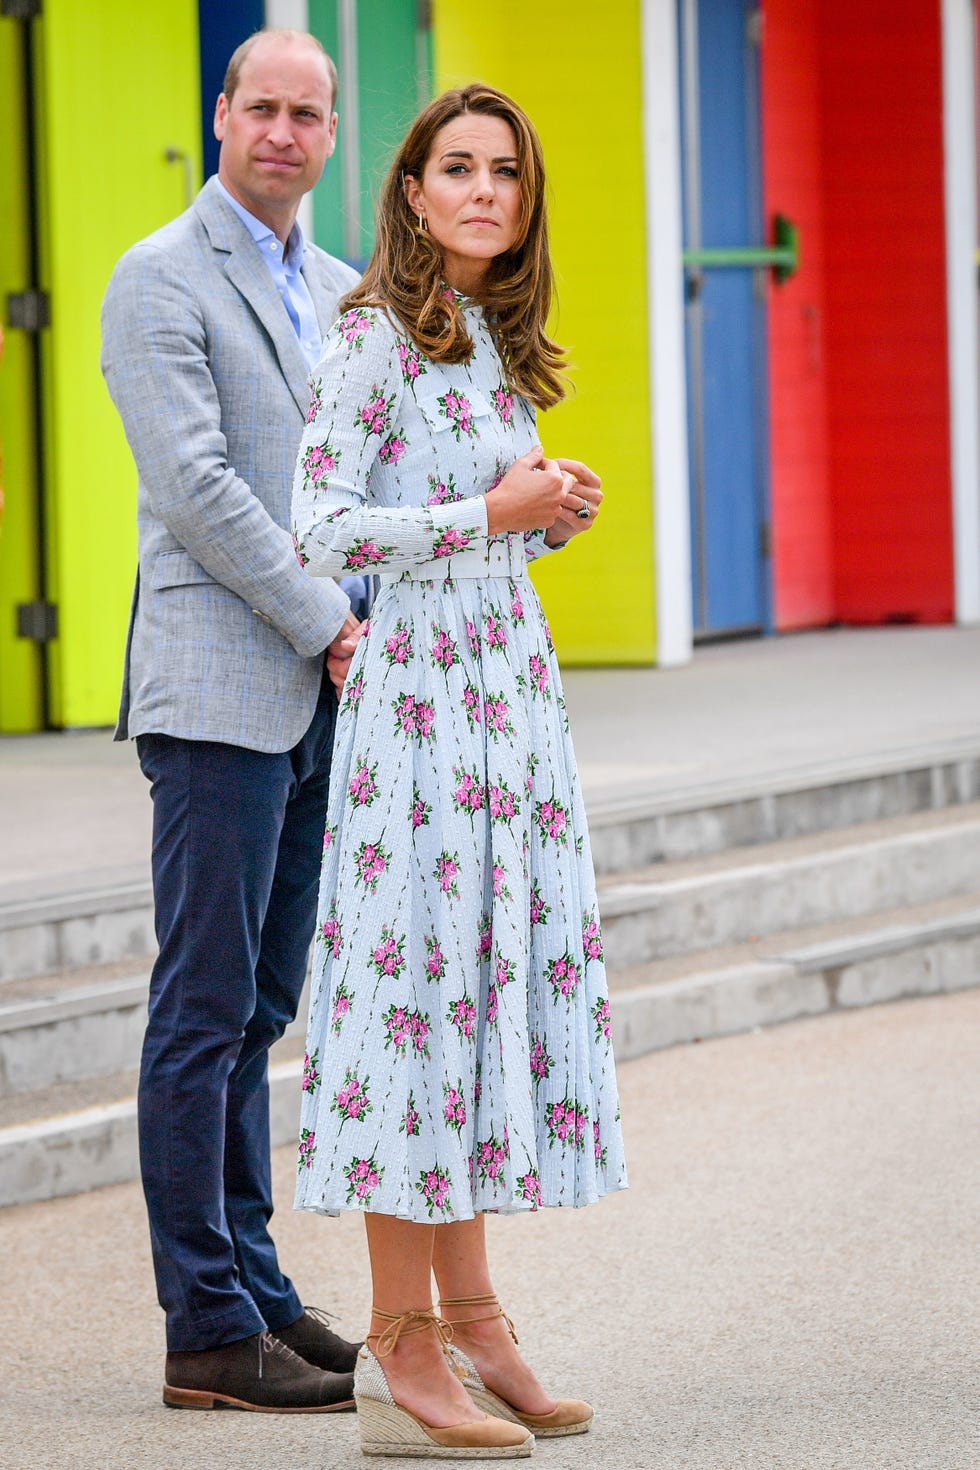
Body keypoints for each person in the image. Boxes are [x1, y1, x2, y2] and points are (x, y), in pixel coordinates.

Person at [290, 82, 628, 1457]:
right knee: (415, 997)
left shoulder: (488, 336)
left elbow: (468, 516)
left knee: (480, 992)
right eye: (459, 168)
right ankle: (398, 1340)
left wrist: (542, 518)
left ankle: (475, 1317)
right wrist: (492, 508)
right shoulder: (370, 333)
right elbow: (321, 526)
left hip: (508, 695)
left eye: (505, 172)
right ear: (415, 192)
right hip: (421, 700)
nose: (484, 190)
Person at [100, 29, 365, 1413]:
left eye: (306, 113)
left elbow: (362, 479)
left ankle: (255, 1285)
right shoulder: (157, 275)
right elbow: (198, 486)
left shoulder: (338, 289)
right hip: (220, 687)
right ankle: (204, 1323)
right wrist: (329, 618)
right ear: (221, 114)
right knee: (203, 1006)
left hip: (324, 692)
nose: (281, 131)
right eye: (260, 106)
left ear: (331, 132)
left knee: (263, 1003)